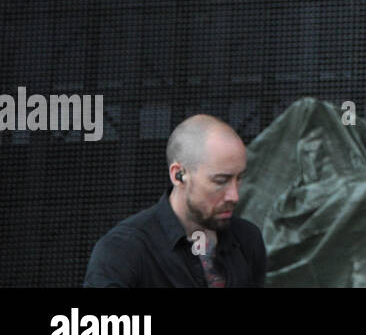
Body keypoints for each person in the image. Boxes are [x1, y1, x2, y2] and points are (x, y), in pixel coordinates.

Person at [84, 114, 266, 287]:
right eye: (220, 181)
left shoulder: (247, 239)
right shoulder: (123, 249)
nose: (234, 195)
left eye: (239, 178)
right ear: (178, 175)